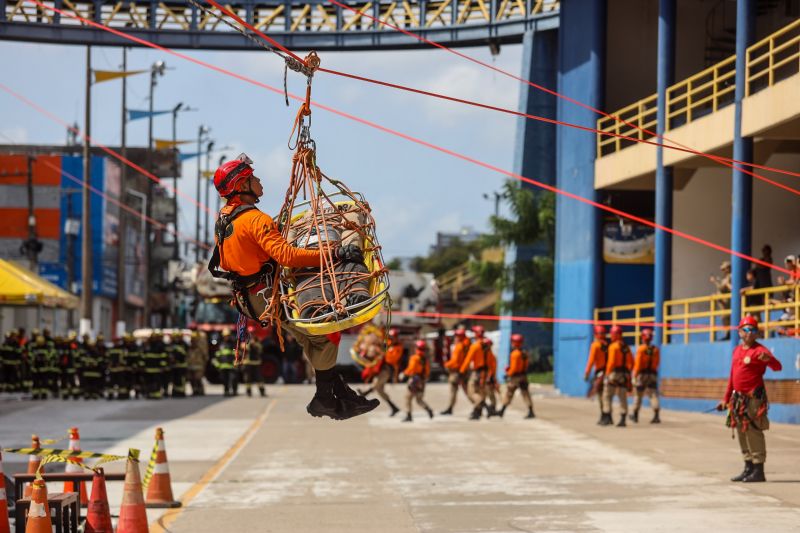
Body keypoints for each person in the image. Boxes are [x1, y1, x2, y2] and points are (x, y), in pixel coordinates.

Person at [208, 154, 378, 420]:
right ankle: (325, 397)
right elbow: (287, 256)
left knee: (310, 338)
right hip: (266, 296)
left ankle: (337, 394)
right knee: (326, 334)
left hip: (251, 299)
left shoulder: (225, 218)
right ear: (242, 184)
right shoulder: (254, 220)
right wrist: (333, 254)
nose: (259, 180)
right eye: (253, 177)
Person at [716, 316, 782, 483]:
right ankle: (748, 467)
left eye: (752, 330)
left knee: (753, 430)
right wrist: (725, 398)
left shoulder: (760, 351)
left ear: (757, 333)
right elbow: (732, 376)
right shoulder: (737, 350)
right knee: (741, 431)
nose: (748, 333)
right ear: (739, 332)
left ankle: (759, 469)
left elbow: (777, 367)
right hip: (737, 399)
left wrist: (770, 360)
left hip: (753, 398)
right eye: (745, 329)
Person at [359, 328, 402, 416]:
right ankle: (394, 407)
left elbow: (391, 359)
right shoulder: (389, 343)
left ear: (397, 338)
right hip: (381, 368)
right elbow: (381, 344)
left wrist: (383, 353)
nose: (391, 338)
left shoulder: (398, 348)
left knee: (376, 384)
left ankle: (364, 395)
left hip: (387, 369)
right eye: (390, 337)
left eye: (393, 337)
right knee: (380, 390)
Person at [602, 325, 633, 427]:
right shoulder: (626, 347)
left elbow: (611, 362)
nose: (610, 336)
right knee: (622, 396)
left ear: (616, 335)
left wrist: (607, 375)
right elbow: (631, 362)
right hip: (624, 374)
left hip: (614, 374)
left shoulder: (613, 347)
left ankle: (607, 416)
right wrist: (628, 373)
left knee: (607, 395)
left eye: (611, 334)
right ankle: (623, 418)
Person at [498, 333, 534, 419]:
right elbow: (525, 365)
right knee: (525, 394)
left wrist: (508, 374)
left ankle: (502, 410)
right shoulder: (524, 353)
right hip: (523, 376)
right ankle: (530, 411)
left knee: (509, 393)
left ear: (514, 342)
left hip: (515, 378)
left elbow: (514, 367)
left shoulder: (515, 354)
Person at [630, 329, 660, 424]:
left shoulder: (641, 349)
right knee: (653, 395)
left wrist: (634, 375)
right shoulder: (655, 349)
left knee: (638, 395)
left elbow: (638, 364)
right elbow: (657, 363)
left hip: (642, 375)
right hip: (652, 374)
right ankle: (656, 416)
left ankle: (635, 415)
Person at [440, 327, 470, 415]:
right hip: (463, 370)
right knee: (467, 390)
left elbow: (455, 361)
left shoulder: (459, 346)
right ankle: (478, 406)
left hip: (456, 372)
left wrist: (446, 365)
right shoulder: (466, 345)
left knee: (455, 390)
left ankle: (479, 405)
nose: (455, 338)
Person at [401, 340, 433, 422]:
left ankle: (409, 415)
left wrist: (404, 374)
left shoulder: (414, 358)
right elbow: (427, 372)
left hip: (414, 381)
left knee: (408, 398)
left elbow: (411, 369)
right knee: (419, 399)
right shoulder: (425, 359)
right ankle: (428, 409)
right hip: (422, 382)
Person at [461, 325, 488, 420]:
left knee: (471, 392)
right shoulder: (487, 346)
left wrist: (462, 371)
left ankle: (485, 406)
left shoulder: (475, 346)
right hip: (485, 372)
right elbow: (492, 360)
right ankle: (477, 411)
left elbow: (468, 360)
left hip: (477, 372)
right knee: (480, 391)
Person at [583, 325, 609, 424]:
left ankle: (604, 415)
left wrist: (586, 373)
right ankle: (608, 416)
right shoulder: (608, 345)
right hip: (609, 373)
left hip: (600, 374)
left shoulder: (595, 345)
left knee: (601, 395)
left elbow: (591, 361)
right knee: (608, 395)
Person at [710, 261, 732, 340]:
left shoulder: (730, 276)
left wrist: (715, 281)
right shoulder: (725, 278)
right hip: (723, 303)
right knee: (724, 319)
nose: (723, 271)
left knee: (726, 319)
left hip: (726, 303)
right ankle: (727, 335)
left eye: (724, 269)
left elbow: (722, 288)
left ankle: (729, 335)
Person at [214, 329, 238, 397]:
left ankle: (234, 391)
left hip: (231, 366)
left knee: (233, 379)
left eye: (227, 336)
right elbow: (217, 354)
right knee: (224, 380)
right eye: (225, 336)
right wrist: (217, 364)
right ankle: (226, 391)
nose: (226, 337)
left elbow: (235, 352)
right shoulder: (221, 344)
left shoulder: (232, 344)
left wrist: (235, 361)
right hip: (223, 366)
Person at [167, 331, 189, 397]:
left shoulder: (184, 344)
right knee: (174, 380)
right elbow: (168, 353)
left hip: (181, 365)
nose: (176, 338)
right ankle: (175, 392)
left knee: (181, 380)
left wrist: (176, 358)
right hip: (174, 366)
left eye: (177, 337)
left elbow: (184, 354)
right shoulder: (171, 344)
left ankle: (181, 392)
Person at [186, 331, 208, 396]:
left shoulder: (201, 348)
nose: (193, 340)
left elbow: (205, 356)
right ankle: (194, 390)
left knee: (198, 379)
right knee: (191, 379)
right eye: (192, 339)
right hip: (190, 365)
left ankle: (201, 391)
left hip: (199, 366)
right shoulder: (189, 347)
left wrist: (204, 364)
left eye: (194, 339)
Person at [482, 338, 499, 417]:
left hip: (489, 379)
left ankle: (492, 409)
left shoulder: (491, 355)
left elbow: (492, 368)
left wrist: (489, 377)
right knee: (484, 395)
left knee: (490, 394)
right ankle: (489, 409)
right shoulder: (484, 354)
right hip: (484, 378)